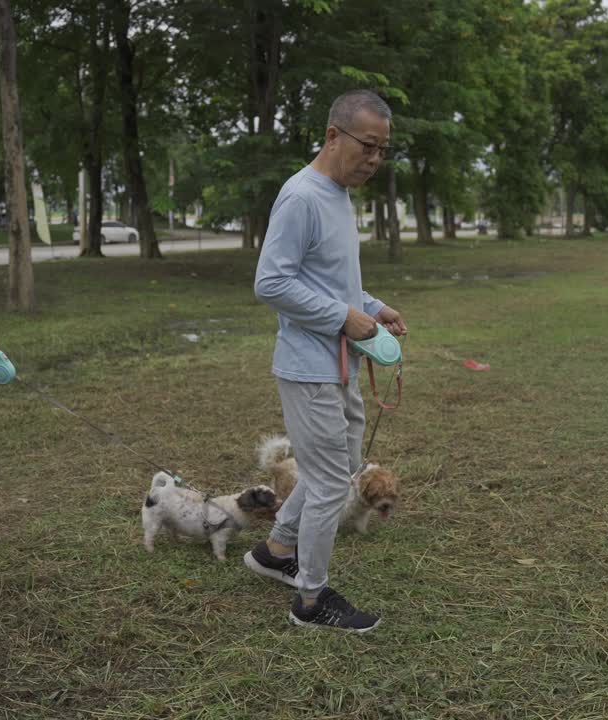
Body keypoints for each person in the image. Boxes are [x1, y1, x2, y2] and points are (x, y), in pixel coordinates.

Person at [245, 90, 408, 632]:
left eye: (382, 150)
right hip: (309, 365)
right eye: (368, 146)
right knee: (329, 481)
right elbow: (271, 282)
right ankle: (310, 601)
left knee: (336, 473)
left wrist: (371, 308)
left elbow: (333, 284)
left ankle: (275, 552)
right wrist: (343, 317)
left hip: (339, 360)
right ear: (333, 135)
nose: (374, 159)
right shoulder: (301, 197)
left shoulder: (338, 196)